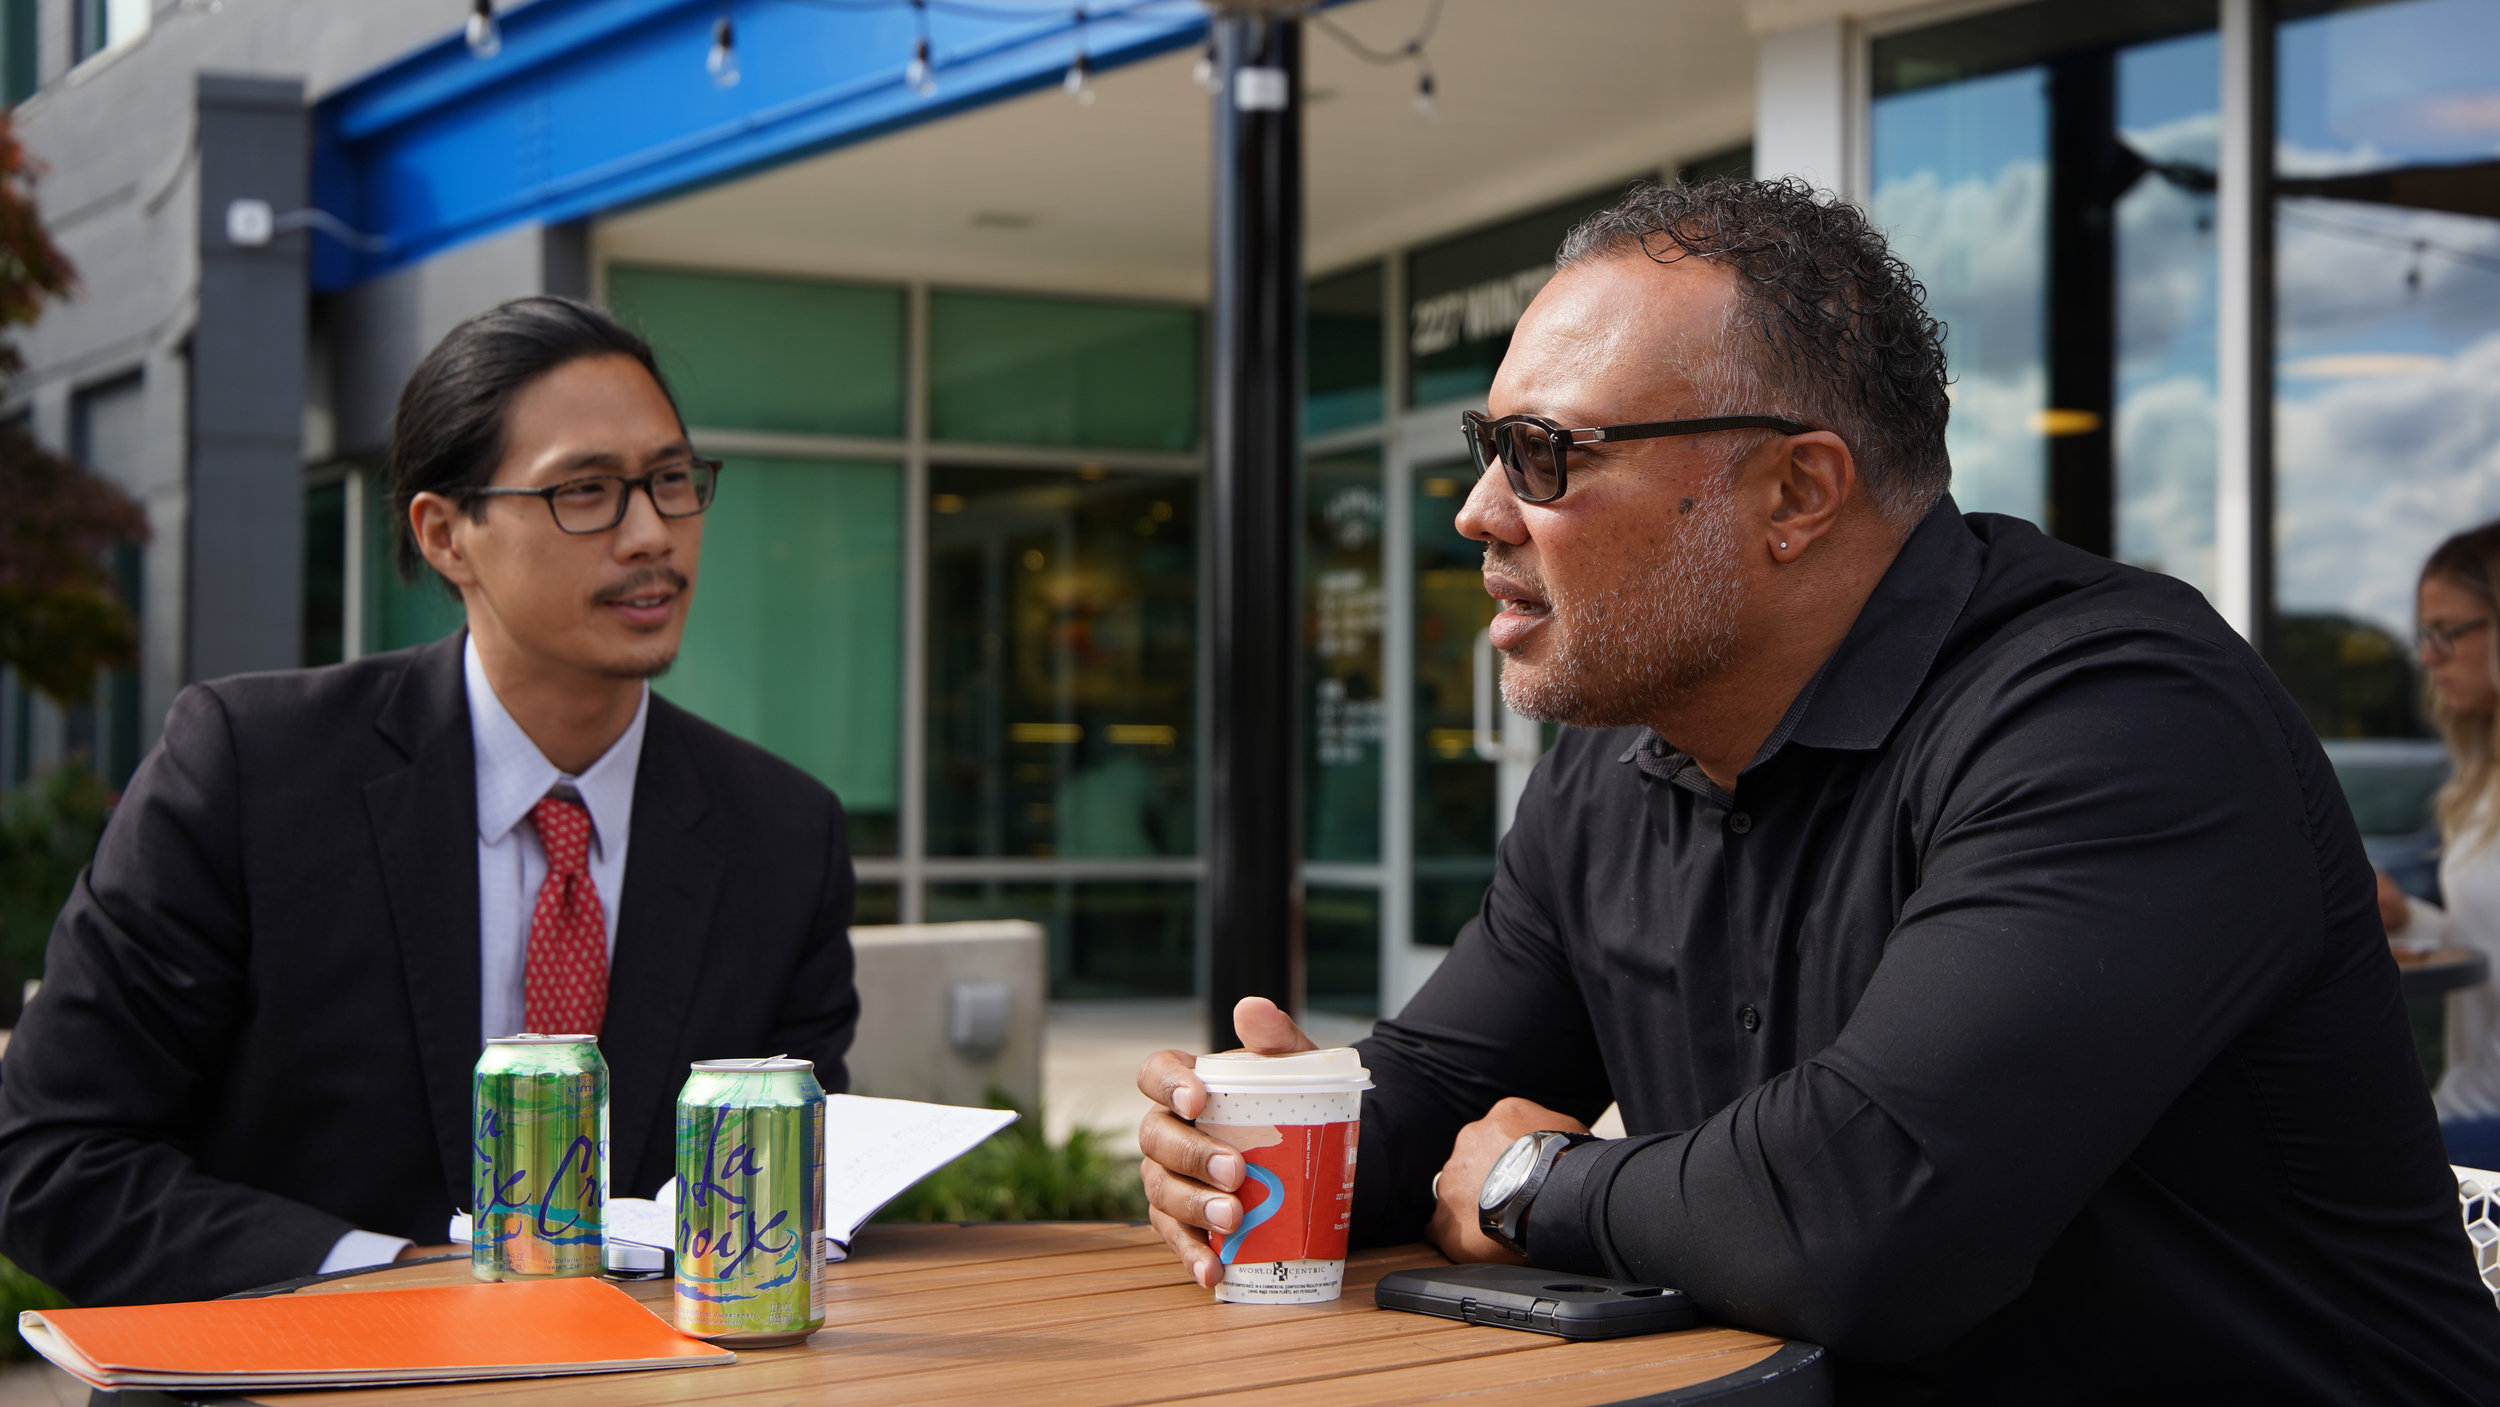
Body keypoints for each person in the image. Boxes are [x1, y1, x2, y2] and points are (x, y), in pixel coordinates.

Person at [1137, 179, 2500, 1401]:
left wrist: (1527, 1178)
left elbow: (1871, 1216)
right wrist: (1251, 1144)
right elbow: (1439, 1089)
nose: (1480, 511)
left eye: (1546, 454)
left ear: (1796, 490)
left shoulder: (2119, 716)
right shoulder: (1617, 762)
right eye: (1484, 446)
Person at [0, 297, 861, 1306]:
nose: (650, 533)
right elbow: (53, 1157)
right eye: (584, 491)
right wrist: (402, 1285)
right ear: (447, 535)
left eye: (671, 482)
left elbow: (797, 1183)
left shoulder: (782, 833)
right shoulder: (250, 772)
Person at [2382, 523, 2500, 1170]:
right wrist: (2409, 919)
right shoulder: (2482, 787)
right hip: (2470, 1110)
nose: (2429, 658)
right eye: (2425, 635)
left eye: (2448, 632)